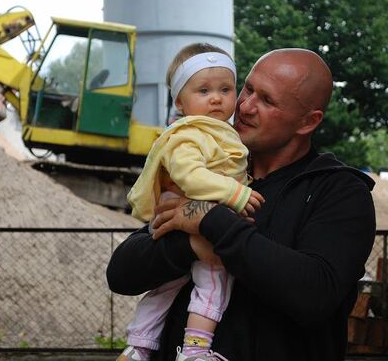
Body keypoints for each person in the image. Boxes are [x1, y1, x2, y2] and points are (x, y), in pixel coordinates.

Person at [107, 48, 376, 361]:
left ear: (307, 122)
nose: (245, 106)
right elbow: (121, 274)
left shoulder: (340, 192)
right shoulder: (215, 173)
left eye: (267, 100)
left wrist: (211, 221)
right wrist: (189, 245)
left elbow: (315, 294)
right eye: (247, 89)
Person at [115, 43, 264, 361]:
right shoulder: (189, 135)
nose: (216, 98)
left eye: (225, 89)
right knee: (214, 280)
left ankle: (139, 345)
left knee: (167, 286)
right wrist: (236, 193)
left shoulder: (216, 132)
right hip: (189, 218)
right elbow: (190, 176)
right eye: (204, 90)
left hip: (186, 216)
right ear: (180, 102)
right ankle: (195, 350)